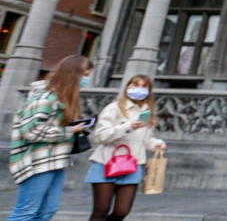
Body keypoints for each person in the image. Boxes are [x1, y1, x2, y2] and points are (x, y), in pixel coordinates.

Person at [8, 55, 93, 221]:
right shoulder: (46, 97)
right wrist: (69, 131)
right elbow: (31, 130)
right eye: (86, 75)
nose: (87, 80)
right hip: (37, 161)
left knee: (46, 212)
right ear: (73, 74)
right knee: (26, 213)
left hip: (54, 160)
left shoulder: (60, 98)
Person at [87, 75, 166, 221]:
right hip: (106, 162)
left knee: (122, 211)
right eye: (135, 85)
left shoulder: (146, 112)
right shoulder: (114, 108)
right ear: (127, 87)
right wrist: (127, 126)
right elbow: (100, 136)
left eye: (144, 86)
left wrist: (156, 144)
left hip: (133, 165)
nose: (139, 89)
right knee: (101, 210)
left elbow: (145, 139)